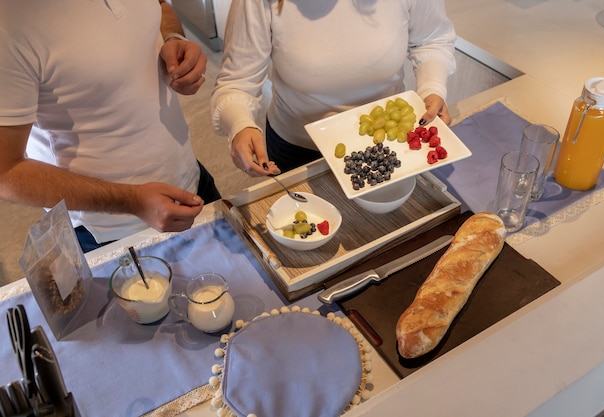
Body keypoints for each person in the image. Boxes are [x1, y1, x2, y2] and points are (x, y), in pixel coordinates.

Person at [0, 0, 221, 252]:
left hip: (189, 178)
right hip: (108, 230)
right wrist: (132, 201)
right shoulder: (10, 23)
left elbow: (160, 6)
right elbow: (5, 173)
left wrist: (172, 38)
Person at [210, 0, 457, 177]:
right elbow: (237, 83)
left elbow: (431, 39)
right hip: (298, 150)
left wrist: (432, 88)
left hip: (390, 144)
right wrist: (240, 124)